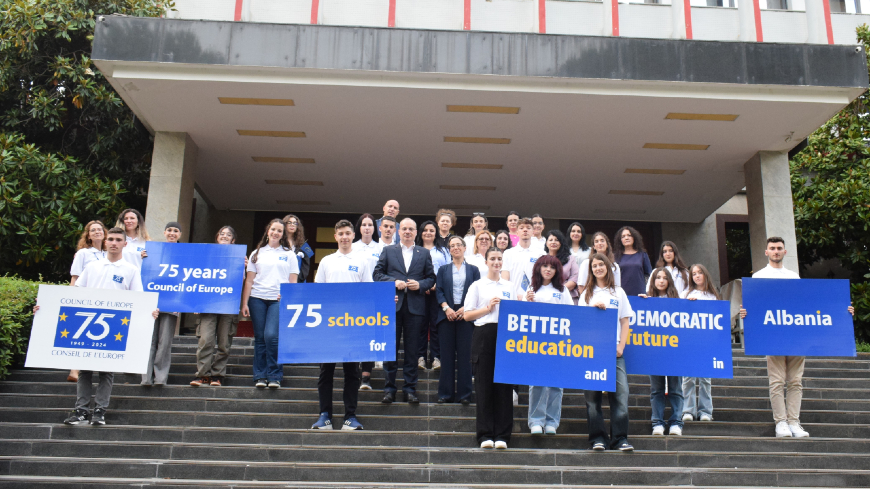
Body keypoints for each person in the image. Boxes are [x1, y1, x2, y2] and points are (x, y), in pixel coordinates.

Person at [36, 227, 159, 425]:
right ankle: (81, 410)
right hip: (88, 323)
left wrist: (149, 312)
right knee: (84, 370)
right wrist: (45, 308)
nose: (114, 243)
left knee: (106, 372)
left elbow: (139, 299)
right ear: (105, 242)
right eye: (110, 239)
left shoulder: (131, 270)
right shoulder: (92, 267)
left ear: (124, 244)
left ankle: (100, 411)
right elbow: (75, 294)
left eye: (118, 240)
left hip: (114, 326)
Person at [738, 237, 855, 438]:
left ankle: (794, 422)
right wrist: (745, 314)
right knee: (776, 381)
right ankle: (780, 422)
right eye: (772, 248)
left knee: (795, 381)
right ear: (766, 252)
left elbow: (806, 305)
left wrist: (842, 312)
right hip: (772, 335)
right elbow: (753, 307)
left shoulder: (794, 276)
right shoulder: (758, 276)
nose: (776, 251)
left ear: (785, 252)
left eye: (779, 248)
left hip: (796, 336)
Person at [311, 220, 370, 431]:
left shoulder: (362, 261)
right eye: (340, 234)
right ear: (335, 237)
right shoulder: (327, 261)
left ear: (353, 235)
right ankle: (324, 415)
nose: (344, 237)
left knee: (352, 372)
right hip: (328, 324)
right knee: (325, 372)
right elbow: (317, 292)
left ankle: (350, 417)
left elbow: (368, 293)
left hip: (353, 325)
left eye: (347, 233)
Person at [373, 218, 436, 404]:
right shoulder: (388, 251)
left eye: (411, 229)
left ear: (416, 232)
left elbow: (431, 278)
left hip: (415, 308)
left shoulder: (423, 253)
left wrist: (421, 284)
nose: (408, 232)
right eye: (405, 229)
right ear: (398, 232)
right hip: (392, 305)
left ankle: (410, 389)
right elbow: (377, 274)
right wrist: (393, 282)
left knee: (412, 351)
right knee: (390, 349)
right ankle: (389, 389)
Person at [580, 253, 634, 451]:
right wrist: (592, 308)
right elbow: (581, 322)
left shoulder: (618, 292)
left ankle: (620, 439)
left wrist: (621, 346)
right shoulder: (587, 293)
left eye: (601, 264)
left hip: (614, 352)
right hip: (591, 353)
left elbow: (625, 320)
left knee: (621, 395)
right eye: (594, 265)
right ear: (591, 270)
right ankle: (598, 438)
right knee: (592, 399)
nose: (598, 268)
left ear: (608, 267)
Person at [463, 246, 515, 449]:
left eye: (499, 259)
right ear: (486, 262)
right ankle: (485, 435)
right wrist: (487, 308)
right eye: (492, 258)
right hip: (483, 334)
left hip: (505, 336)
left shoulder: (509, 286)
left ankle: (502, 434)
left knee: (503, 386)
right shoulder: (477, 285)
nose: (496, 262)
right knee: (484, 386)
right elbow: (467, 315)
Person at [242, 219, 299, 388]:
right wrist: (244, 303)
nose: (276, 233)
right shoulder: (256, 253)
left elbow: (293, 281)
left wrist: (288, 297)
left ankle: (274, 375)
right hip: (257, 299)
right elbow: (249, 282)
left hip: (277, 300)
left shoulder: (289, 255)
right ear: (268, 231)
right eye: (273, 229)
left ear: (283, 234)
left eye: (279, 231)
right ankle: (260, 375)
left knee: (272, 336)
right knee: (260, 338)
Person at [522, 255, 572, 435]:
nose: (548, 269)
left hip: (558, 344)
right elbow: (524, 318)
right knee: (536, 382)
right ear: (538, 269)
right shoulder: (531, 289)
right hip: (535, 344)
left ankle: (552, 421)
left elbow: (570, 315)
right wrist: (527, 302)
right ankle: (536, 420)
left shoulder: (562, 290)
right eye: (544, 266)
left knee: (556, 382)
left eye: (552, 267)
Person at [190, 226, 242, 387]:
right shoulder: (206, 256)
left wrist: (244, 266)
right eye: (222, 234)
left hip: (228, 303)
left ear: (233, 240)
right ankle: (202, 375)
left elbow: (243, 281)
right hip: (207, 303)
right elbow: (197, 277)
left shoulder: (239, 258)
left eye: (228, 235)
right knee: (205, 340)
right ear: (217, 237)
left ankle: (217, 375)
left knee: (224, 343)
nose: (225, 236)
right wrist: (196, 300)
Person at [639, 268, 685, 436]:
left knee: (675, 389)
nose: (661, 281)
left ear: (669, 281)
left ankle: (676, 423)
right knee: (656, 389)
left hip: (674, 353)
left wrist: (692, 304)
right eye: (658, 277)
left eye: (665, 278)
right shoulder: (646, 300)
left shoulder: (678, 301)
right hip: (654, 353)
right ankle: (657, 422)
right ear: (653, 281)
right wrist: (642, 303)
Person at [435, 235, 480, 404]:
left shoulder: (473, 270)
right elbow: (438, 290)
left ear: (464, 247)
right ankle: (445, 394)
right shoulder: (443, 270)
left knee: (465, 356)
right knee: (446, 357)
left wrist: (465, 308)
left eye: (458, 245)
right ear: (449, 250)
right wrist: (446, 308)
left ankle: (464, 395)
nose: (455, 248)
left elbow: (476, 291)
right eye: (452, 246)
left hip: (466, 316)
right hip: (446, 315)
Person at [140, 222, 182, 386]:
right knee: (149, 341)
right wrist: (142, 258)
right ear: (164, 232)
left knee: (164, 342)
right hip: (151, 300)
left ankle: (160, 378)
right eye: (169, 230)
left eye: (176, 231)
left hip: (173, 301)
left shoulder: (186, 253)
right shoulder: (152, 251)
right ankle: (146, 377)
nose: (172, 233)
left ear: (180, 234)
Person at [358, 215, 397, 389]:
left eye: (370, 225)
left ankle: (376, 369)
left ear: (375, 228)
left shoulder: (382, 248)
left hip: (379, 294)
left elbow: (385, 272)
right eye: (364, 224)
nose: (367, 227)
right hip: (358, 296)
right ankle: (364, 376)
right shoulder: (353, 247)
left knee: (378, 332)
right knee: (363, 333)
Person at [67, 220, 108, 383]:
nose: (97, 232)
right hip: (86, 296)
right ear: (88, 235)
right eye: (93, 230)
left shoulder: (108, 253)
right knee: (82, 331)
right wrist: (73, 297)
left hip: (105, 298)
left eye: (100, 229)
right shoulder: (83, 253)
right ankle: (74, 370)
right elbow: (75, 277)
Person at [680, 264, 720, 422]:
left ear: (705, 275)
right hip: (689, 341)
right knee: (688, 378)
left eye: (699, 273)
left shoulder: (712, 295)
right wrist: (688, 305)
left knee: (705, 378)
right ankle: (688, 410)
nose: (696, 276)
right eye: (694, 273)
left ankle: (705, 411)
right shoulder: (685, 293)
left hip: (707, 342)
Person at [417, 221, 450, 370]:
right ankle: (420, 356)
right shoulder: (415, 249)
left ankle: (436, 357)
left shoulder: (443, 251)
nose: (428, 233)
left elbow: (447, 271)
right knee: (421, 325)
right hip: (419, 293)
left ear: (436, 232)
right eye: (425, 230)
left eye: (431, 230)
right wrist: (422, 285)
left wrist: (437, 284)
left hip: (437, 292)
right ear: (421, 232)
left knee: (436, 326)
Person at [501, 218, 545, 300]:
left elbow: (544, 279)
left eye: (528, 228)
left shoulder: (541, 254)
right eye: (521, 228)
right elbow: (504, 279)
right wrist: (513, 295)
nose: (525, 230)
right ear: (517, 232)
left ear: (533, 232)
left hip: (534, 298)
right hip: (514, 298)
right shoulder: (508, 253)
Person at [578, 232, 621, 297]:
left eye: (602, 241)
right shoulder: (586, 263)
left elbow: (617, 287)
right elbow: (581, 285)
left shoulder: (615, 266)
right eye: (596, 241)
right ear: (594, 246)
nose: (599, 243)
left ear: (607, 245)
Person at [614, 226, 652, 297]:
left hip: (640, 294)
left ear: (634, 237)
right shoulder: (615, 257)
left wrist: (648, 292)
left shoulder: (642, 254)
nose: (626, 238)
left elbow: (649, 275)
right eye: (623, 236)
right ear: (620, 240)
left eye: (629, 235)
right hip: (621, 295)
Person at [546, 230, 579, 305]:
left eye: (557, 240)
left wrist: (558, 291)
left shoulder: (570, 259)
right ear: (546, 243)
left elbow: (574, 278)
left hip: (568, 297)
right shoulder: (542, 260)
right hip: (547, 298)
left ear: (561, 243)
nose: (553, 242)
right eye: (551, 240)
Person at [283, 214, 312, 283]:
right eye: (289, 222)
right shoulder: (279, 243)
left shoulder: (304, 244)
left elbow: (307, 264)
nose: (292, 225)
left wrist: (298, 279)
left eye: (295, 223)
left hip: (298, 281)